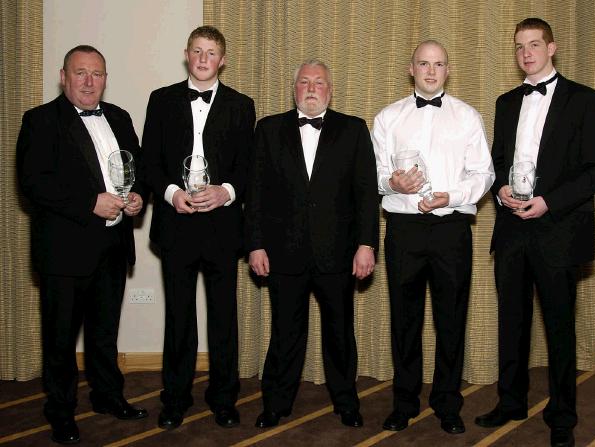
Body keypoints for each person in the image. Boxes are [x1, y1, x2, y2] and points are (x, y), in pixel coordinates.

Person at [474, 18, 595, 447]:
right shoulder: (505, 101)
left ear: (552, 48)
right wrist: (499, 189)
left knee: (559, 329)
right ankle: (510, 401)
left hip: (558, 231)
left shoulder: (585, 100)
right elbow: (497, 159)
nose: (526, 53)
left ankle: (562, 416)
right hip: (513, 231)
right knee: (511, 323)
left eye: (534, 44)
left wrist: (549, 201)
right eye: (519, 46)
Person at [16, 45, 148, 445]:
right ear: (64, 76)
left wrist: (140, 197)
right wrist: (90, 202)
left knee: (104, 333)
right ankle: (60, 411)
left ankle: (108, 397)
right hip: (64, 250)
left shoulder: (121, 118)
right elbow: (33, 182)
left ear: (106, 79)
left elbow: (136, 170)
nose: (89, 82)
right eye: (81, 73)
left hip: (112, 245)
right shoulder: (40, 121)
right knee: (60, 338)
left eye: (97, 74)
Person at [245, 59, 378, 429]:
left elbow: (366, 194)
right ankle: (276, 403)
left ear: (330, 90)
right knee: (285, 333)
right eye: (304, 81)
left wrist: (366, 245)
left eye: (319, 82)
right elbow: (255, 193)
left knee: (339, 332)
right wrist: (254, 245)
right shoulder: (269, 129)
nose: (311, 88)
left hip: (338, 252)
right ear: (294, 89)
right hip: (282, 251)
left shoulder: (353, 129)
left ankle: (346, 402)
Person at [372, 40, 495, 435]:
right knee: (404, 321)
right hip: (403, 230)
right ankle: (404, 402)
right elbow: (372, 175)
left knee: (451, 319)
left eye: (438, 64)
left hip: (451, 229)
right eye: (423, 63)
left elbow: (484, 174)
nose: (430, 71)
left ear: (448, 69)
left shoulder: (467, 117)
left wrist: (453, 196)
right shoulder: (388, 118)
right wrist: (392, 181)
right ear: (411, 68)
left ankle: (447, 404)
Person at [142, 26, 255, 430]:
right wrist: (171, 193)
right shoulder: (161, 100)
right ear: (186, 54)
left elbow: (248, 166)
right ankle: (174, 398)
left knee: (223, 318)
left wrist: (226, 191)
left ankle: (224, 399)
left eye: (211, 53)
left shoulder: (242, 105)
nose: (204, 59)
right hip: (177, 224)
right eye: (197, 51)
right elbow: (149, 160)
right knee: (179, 318)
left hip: (223, 227)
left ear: (222, 60)